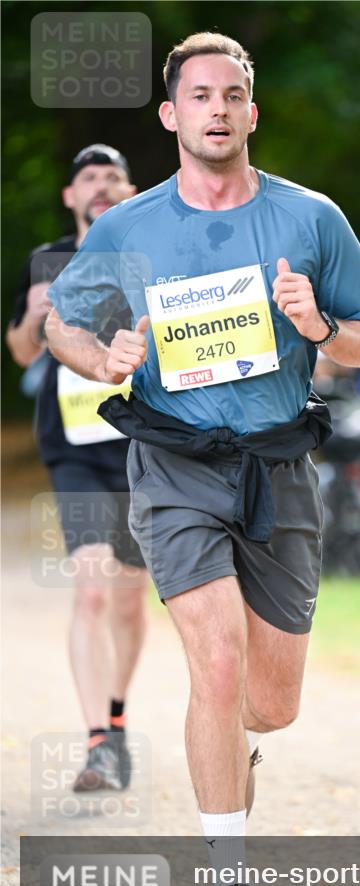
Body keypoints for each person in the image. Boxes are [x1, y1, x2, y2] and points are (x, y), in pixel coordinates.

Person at [45, 32, 360, 886]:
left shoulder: (311, 218)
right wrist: (104, 356)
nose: (217, 109)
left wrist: (318, 325)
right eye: (199, 95)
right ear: (172, 114)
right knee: (218, 663)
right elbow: (63, 328)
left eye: (232, 94)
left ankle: (232, 762)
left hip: (276, 467)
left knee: (269, 705)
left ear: (251, 110)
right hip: (174, 463)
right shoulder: (128, 228)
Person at [6, 145, 149, 793]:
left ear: (129, 190)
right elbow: (18, 351)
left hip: (141, 444)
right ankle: (98, 742)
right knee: (92, 586)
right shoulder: (46, 260)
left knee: (127, 598)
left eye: (111, 177)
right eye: (87, 178)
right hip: (73, 449)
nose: (99, 186)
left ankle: (116, 721)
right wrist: (36, 315)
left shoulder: (151, 254)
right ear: (70, 196)